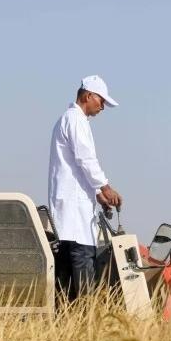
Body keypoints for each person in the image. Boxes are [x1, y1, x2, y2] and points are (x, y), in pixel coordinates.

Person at [48, 75, 124, 301]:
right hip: (75, 213)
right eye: (101, 101)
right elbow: (86, 159)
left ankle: (68, 321)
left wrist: (97, 195)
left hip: (72, 209)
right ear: (88, 96)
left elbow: (77, 168)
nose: (103, 107)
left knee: (65, 275)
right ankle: (84, 317)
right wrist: (105, 187)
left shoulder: (70, 120)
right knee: (82, 267)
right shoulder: (75, 119)